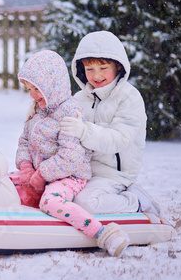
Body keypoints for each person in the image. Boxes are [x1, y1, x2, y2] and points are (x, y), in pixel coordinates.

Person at [15, 50, 130, 257]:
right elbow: (24, 141)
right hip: (39, 174)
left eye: (37, 88)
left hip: (69, 176)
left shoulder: (70, 112)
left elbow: (72, 156)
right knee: (8, 181)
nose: (32, 94)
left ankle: (104, 234)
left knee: (51, 202)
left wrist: (41, 174)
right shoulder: (39, 111)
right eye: (29, 89)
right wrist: (25, 167)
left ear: (52, 86)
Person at [60, 30, 160, 215]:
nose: (96, 75)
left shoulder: (128, 98)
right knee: (56, 195)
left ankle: (136, 202)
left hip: (113, 174)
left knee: (86, 204)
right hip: (82, 171)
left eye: (103, 68)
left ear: (118, 67)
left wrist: (84, 132)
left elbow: (119, 139)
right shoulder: (79, 98)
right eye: (90, 69)